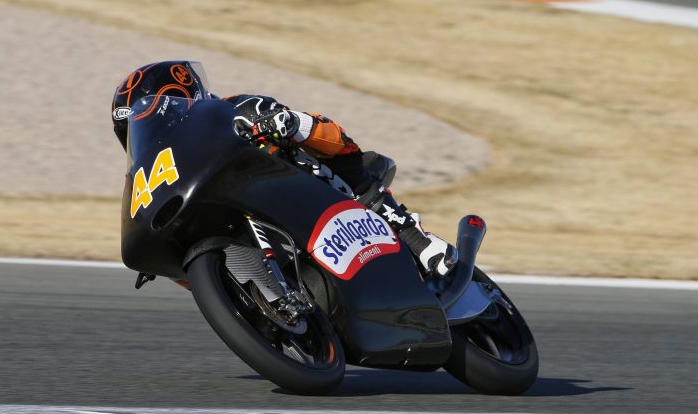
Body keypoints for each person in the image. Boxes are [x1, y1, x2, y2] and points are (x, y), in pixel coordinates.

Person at [111, 61, 457, 278]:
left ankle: (416, 238)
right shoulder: (150, 179)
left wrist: (288, 123)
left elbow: (332, 136)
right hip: (239, 210)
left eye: (165, 111)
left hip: (302, 185)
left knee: (324, 150)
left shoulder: (235, 108)